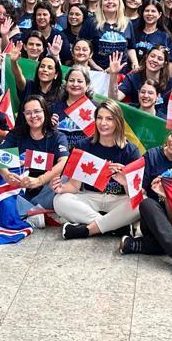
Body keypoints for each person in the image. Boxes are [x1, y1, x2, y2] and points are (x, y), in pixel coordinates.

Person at [54, 100, 141, 240]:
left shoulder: (131, 151)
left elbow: (133, 195)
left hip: (118, 199)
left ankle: (87, 229)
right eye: (99, 118)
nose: (103, 123)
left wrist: (125, 181)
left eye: (109, 119)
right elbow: (74, 186)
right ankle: (115, 227)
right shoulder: (83, 145)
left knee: (141, 204)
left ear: (118, 122)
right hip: (90, 197)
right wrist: (61, 188)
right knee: (59, 200)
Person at [0, 94, 69, 227]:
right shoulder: (16, 134)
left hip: (45, 190)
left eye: (37, 111)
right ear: (24, 115)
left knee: (66, 177)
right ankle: (33, 213)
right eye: (28, 113)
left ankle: (28, 212)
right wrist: (7, 175)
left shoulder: (57, 136)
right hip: (20, 189)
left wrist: (39, 180)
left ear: (45, 112)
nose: (33, 116)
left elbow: (63, 161)